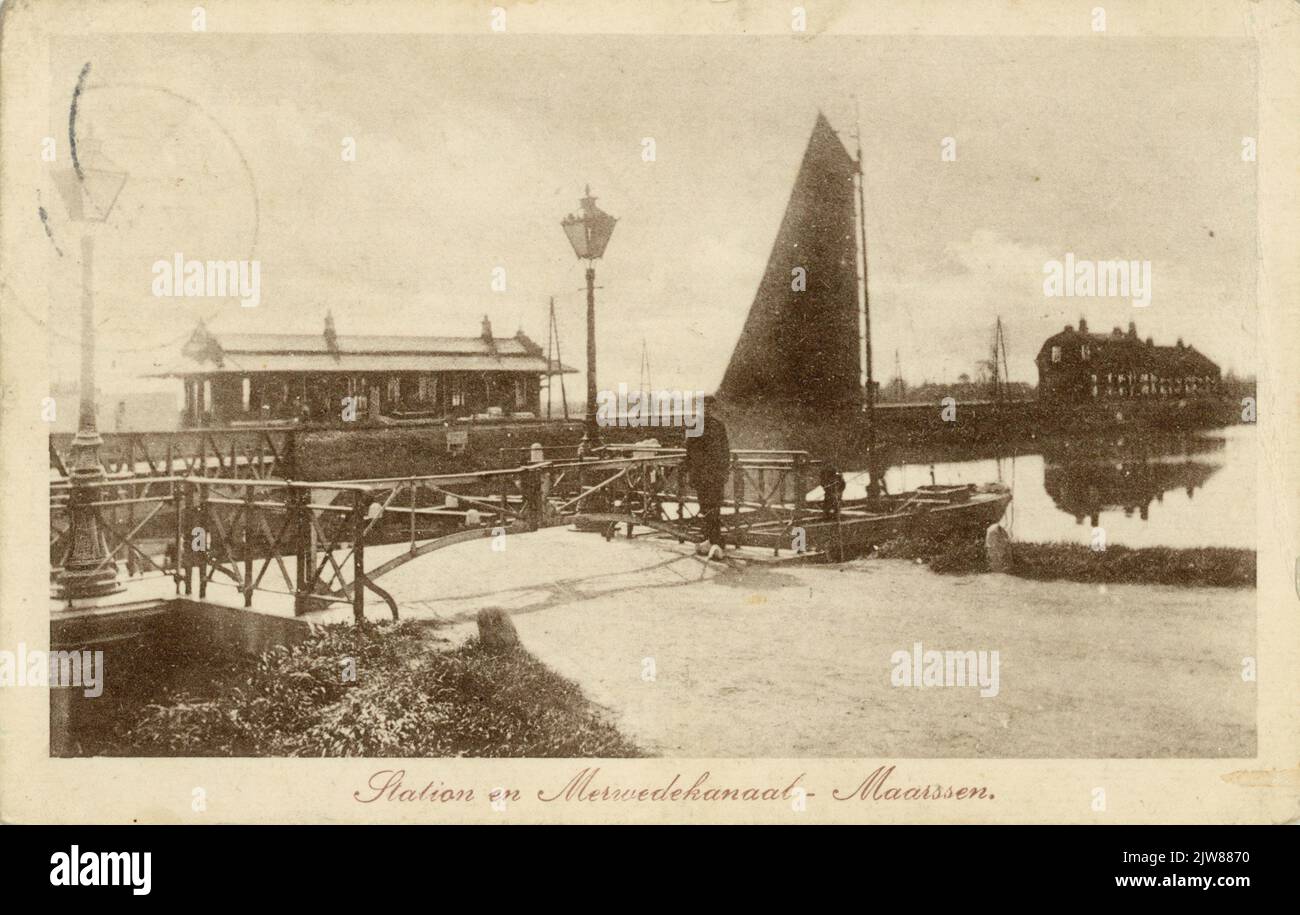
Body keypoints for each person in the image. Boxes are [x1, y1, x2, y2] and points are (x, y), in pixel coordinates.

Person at [684, 395, 730, 559]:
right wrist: (693, 474)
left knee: (713, 508)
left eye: (709, 406)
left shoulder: (718, 425)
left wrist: (725, 471)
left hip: (714, 475)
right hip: (703, 475)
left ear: (712, 408)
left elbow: (725, 451)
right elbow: (690, 453)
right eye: (703, 406)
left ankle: (714, 542)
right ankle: (713, 541)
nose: (706, 409)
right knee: (707, 509)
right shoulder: (695, 425)